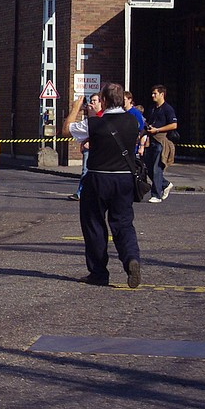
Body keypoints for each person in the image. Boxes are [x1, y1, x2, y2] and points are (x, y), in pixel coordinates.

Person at [61, 82, 143, 288]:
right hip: (124, 178)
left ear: (104, 101)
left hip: (98, 177)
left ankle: (98, 272)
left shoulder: (94, 123)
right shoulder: (133, 121)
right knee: (123, 223)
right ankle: (131, 258)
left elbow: (65, 131)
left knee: (94, 224)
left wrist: (75, 108)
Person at [143, 84, 177, 204]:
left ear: (162, 94)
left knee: (157, 168)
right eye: (152, 93)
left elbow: (174, 125)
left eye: (155, 93)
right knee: (149, 169)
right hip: (150, 141)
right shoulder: (152, 108)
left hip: (161, 141)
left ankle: (156, 195)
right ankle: (165, 184)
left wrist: (158, 129)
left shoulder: (168, 109)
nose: (152, 96)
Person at [68, 93, 102, 201]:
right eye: (90, 101)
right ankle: (80, 193)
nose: (91, 103)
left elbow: (67, 130)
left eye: (94, 101)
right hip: (89, 148)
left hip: (100, 150)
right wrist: (85, 141)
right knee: (85, 171)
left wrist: (75, 108)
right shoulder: (90, 118)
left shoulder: (104, 117)